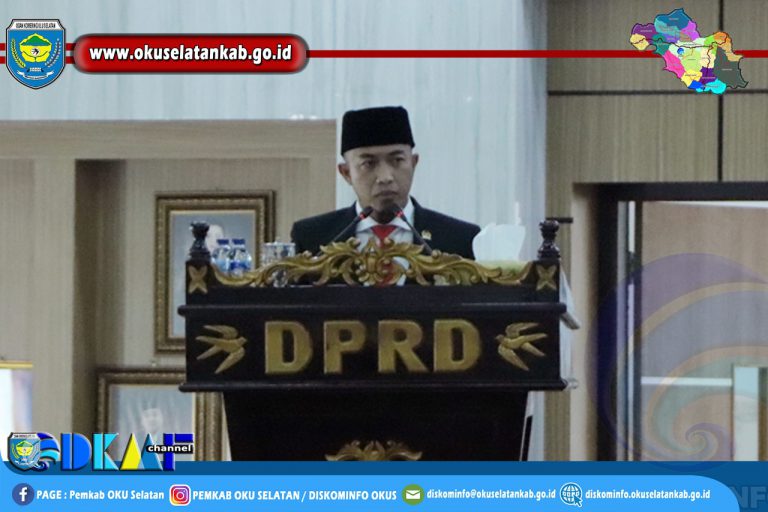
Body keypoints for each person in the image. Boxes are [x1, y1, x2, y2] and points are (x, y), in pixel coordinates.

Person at [291, 106, 480, 259]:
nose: (385, 177)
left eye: (397, 160)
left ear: (413, 163)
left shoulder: (460, 239)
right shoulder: (313, 238)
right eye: (368, 164)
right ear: (346, 173)